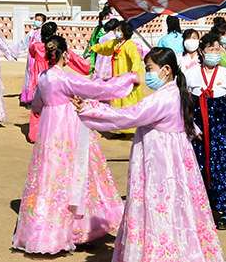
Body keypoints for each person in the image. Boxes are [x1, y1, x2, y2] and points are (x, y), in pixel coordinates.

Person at [74, 47, 226, 262]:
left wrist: (90, 109)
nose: (147, 74)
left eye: (149, 68)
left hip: (160, 160)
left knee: (158, 205)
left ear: (166, 70)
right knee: (177, 206)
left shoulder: (162, 99)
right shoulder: (175, 92)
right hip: (175, 160)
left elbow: (128, 116)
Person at [12, 36, 136, 254]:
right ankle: (78, 228)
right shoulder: (64, 78)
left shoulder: (43, 77)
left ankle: (43, 228)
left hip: (49, 129)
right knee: (76, 172)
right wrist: (127, 80)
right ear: (64, 54)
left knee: (50, 175)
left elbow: (37, 105)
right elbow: (96, 88)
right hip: (68, 128)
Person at [185, 31, 226, 230]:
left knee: (223, 167)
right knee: (198, 165)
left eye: (218, 49)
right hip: (199, 130)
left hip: (222, 131)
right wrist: (192, 127)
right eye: (211, 49)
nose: (215, 52)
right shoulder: (191, 74)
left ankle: (225, 211)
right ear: (202, 51)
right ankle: (200, 209)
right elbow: (183, 103)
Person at [24, 22, 90, 142]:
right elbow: (77, 61)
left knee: (38, 107)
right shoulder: (60, 49)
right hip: (56, 81)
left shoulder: (36, 46)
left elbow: (32, 54)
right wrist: (89, 67)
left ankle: (35, 134)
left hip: (40, 79)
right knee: (56, 108)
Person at [88, 20, 146, 134]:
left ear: (125, 32)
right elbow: (105, 47)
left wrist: (133, 73)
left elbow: (135, 59)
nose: (116, 32)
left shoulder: (129, 45)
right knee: (118, 100)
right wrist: (94, 48)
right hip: (117, 77)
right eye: (116, 30)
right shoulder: (115, 43)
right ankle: (121, 128)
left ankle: (130, 127)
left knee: (128, 101)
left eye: (119, 30)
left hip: (127, 78)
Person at [19, 12, 47, 104]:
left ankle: (37, 96)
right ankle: (28, 96)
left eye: (39, 20)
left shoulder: (44, 33)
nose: (36, 21)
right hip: (31, 57)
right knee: (29, 75)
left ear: (43, 22)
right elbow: (23, 43)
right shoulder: (32, 32)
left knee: (38, 76)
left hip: (39, 58)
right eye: (36, 19)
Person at [84, 4, 112, 74]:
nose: (104, 20)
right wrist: (88, 53)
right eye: (103, 18)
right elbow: (92, 41)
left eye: (106, 18)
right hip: (96, 53)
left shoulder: (111, 29)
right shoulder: (97, 29)